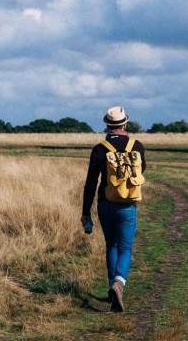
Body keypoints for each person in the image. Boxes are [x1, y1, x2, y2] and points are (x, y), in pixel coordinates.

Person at [81, 106, 147, 312]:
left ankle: (112, 287)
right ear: (125, 124)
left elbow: (91, 182)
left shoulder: (99, 149)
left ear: (107, 125)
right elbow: (140, 171)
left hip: (105, 204)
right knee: (125, 247)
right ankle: (119, 283)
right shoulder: (137, 146)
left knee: (111, 245)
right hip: (127, 205)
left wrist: (85, 212)